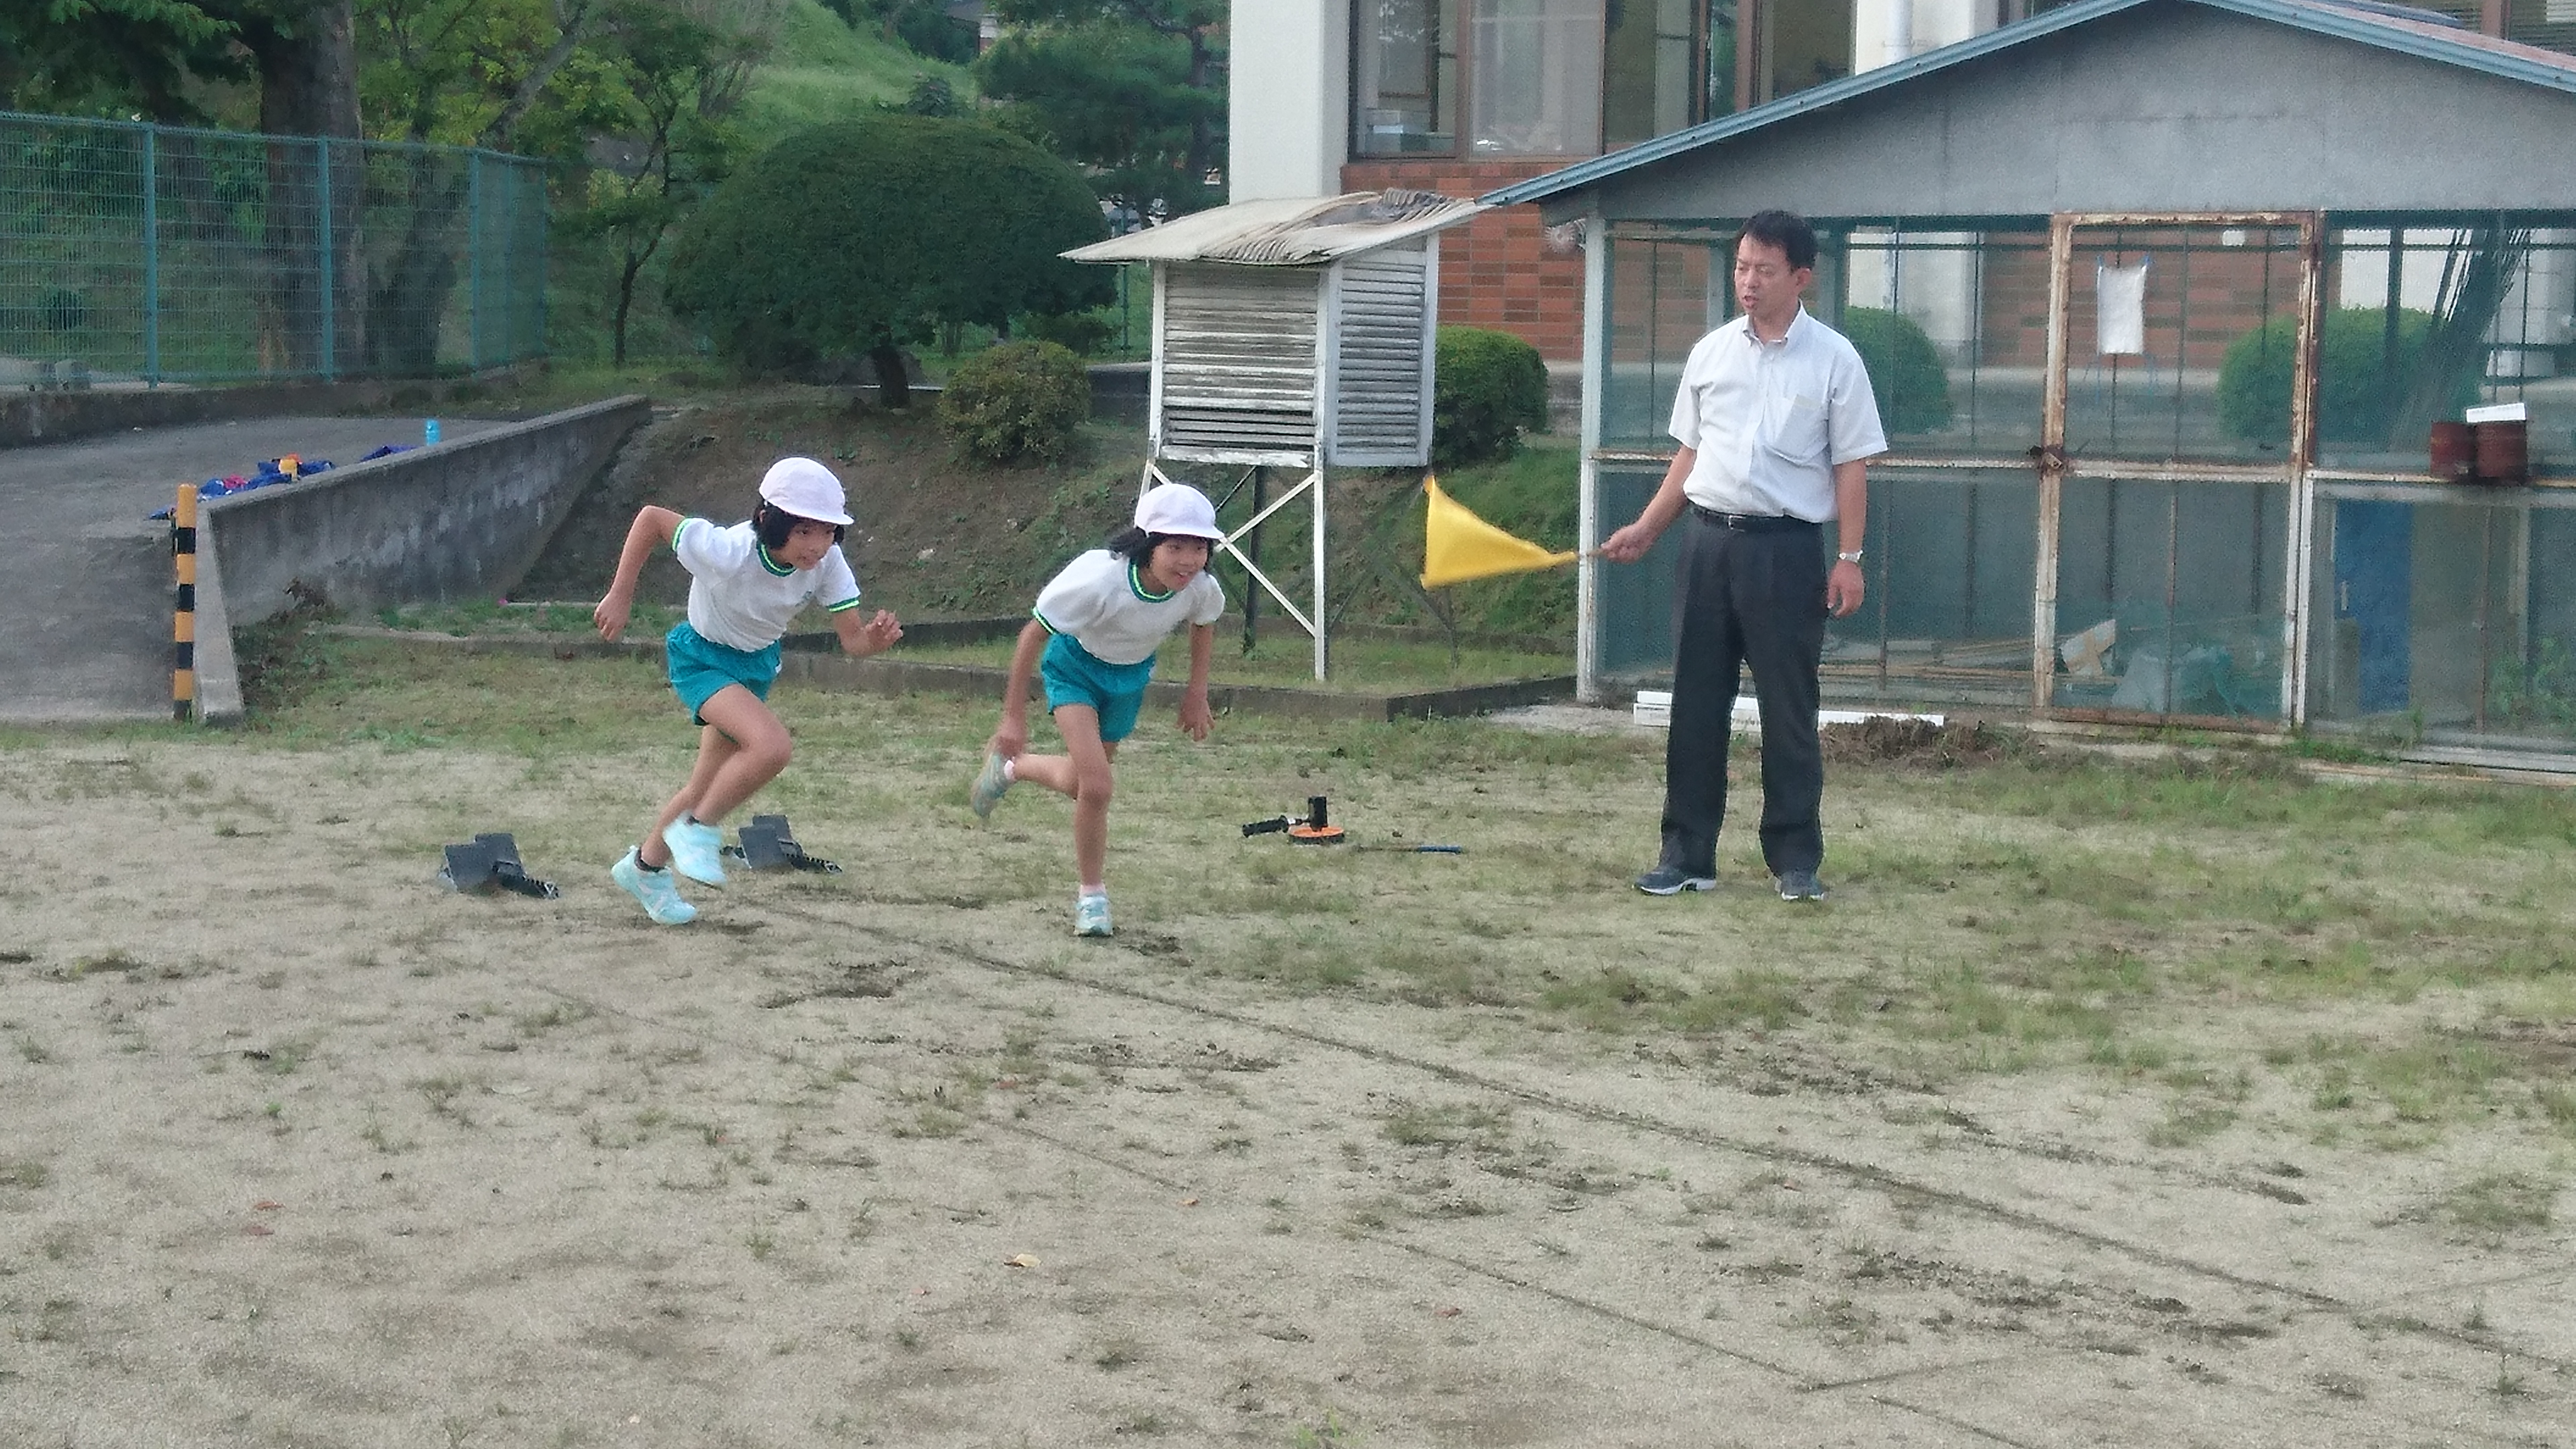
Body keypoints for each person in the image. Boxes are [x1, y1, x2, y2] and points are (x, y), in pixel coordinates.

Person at [1598, 209, 1886, 903]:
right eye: (1741, 267)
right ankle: (1686, 855)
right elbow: (1689, 456)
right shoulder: (1711, 354)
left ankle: (1795, 860)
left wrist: (1849, 556)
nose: (1748, 282)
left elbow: (1851, 464)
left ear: (1801, 277)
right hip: (1707, 545)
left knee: (1789, 707)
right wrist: (1648, 528)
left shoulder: (1835, 360)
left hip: (1785, 551)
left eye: (1764, 270)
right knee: (1696, 702)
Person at [593, 457, 904, 925]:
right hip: (702, 659)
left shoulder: (826, 563)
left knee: (705, 785)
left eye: (827, 532)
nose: (817, 545)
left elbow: (852, 641)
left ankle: (644, 869)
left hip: (756, 667)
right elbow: (652, 519)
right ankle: (698, 831)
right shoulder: (728, 551)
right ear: (767, 519)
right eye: (803, 531)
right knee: (772, 747)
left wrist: (872, 642)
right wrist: (621, 594)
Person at [968, 483, 1225, 937]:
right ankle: (1092, 899)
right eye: (1175, 547)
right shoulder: (1099, 580)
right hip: (1074, 670)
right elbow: (1032, 635)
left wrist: (1196, 692)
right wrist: (1013, 717)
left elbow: (1203, 626)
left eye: (1199, 548)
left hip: (1128, 680)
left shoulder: (1199, 589)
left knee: (1080, 784)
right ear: (1147, 543)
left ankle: (1011, 770)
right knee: (1100, 787)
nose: (1189, 560)